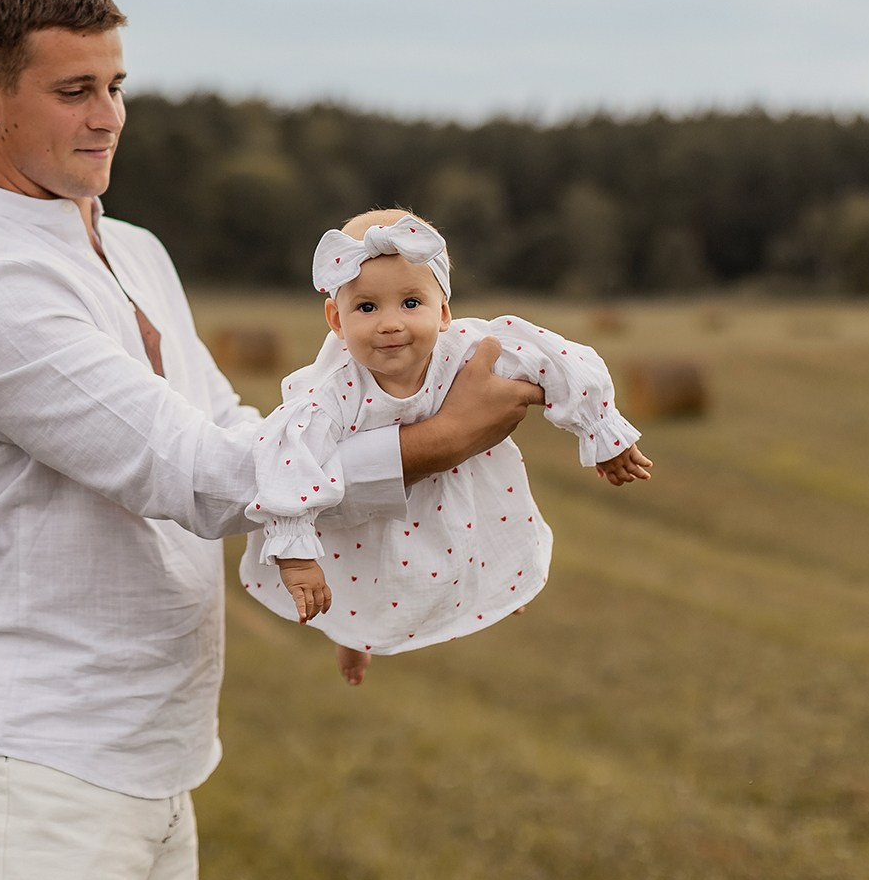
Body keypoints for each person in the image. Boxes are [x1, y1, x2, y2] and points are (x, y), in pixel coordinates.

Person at [0, 0, 542, 880]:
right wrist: (435, 442)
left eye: (115, 87)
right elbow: (196, 477)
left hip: (157, 755)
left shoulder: (134, 250)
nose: (107, 115)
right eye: (74, 91)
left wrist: (357, 567)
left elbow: (236, 431)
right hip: (33, 769)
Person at [238, 210, 653, 684]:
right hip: (370, 521)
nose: (390, 324)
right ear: (337, 319)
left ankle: (496, 596)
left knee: (483, 556)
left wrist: (601, 432)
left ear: (443, 311)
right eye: (367, 308)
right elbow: (287, 457)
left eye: (411, 303)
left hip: (465, 493)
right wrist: (295, 553)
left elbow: (555, 359)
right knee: (360, 588)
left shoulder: (468, 349)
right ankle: (353, 640)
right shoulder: (332, 392)